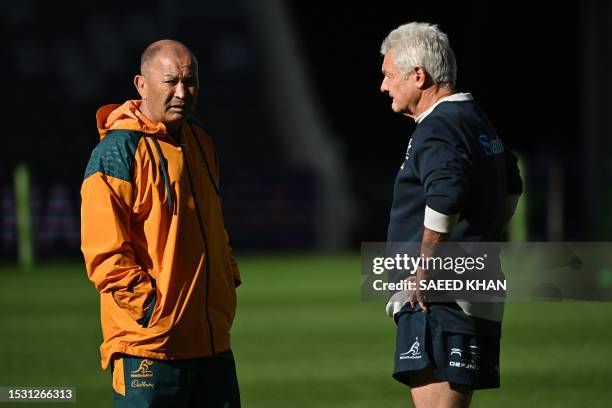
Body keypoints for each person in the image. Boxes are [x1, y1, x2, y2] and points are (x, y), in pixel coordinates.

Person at [81, 39, 241, 407]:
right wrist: (154, 311)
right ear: (141, 85)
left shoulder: (200, 139)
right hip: (149, 350)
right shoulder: (116, 154)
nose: (182, 92)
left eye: (191, 82)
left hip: (211, 344)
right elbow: (105, 256)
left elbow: (215, 224)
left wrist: (226, 280)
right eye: (171, 82)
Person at [379, 23, 522, 407]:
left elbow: (446, 194)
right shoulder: (475, 118)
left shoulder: (438, 126)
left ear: (418, 75)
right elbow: (512, 185)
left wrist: (427, 266)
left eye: (389, 75)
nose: (384, 86)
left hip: (437, 296)